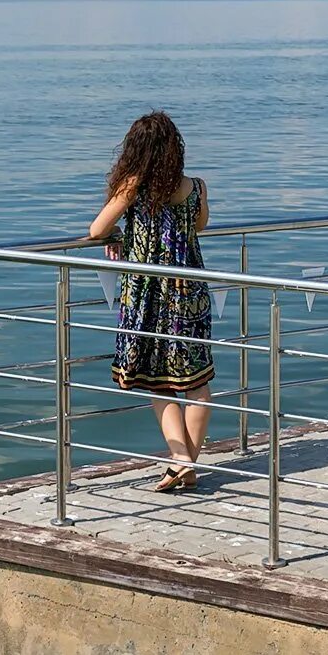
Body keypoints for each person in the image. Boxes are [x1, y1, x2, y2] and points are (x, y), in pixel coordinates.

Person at [89, 111, 213, 492]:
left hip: (148, 294)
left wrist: (122, 235)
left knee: (157, 382)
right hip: (190, 289)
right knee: (196, 382)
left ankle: (179, 461)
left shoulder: (133, 186)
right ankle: (186, 467)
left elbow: (97, 229)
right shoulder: (196, 186)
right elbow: (200, 225)